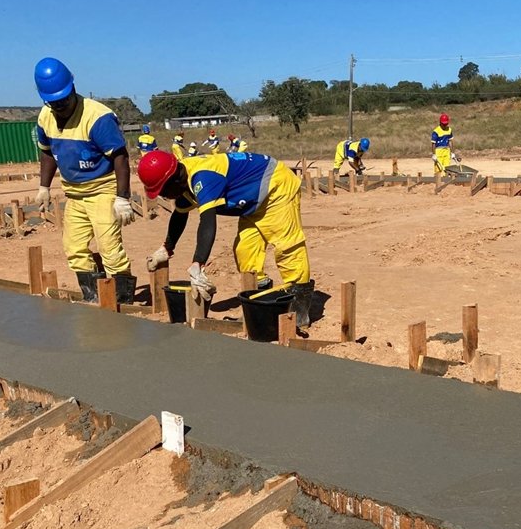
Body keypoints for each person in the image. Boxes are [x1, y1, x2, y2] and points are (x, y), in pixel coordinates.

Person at [138, 149, 315, 327]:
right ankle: (259, 305)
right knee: (245, 251)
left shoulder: (203, 177)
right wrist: (166, 248)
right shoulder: (183, 182)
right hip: (253, 201)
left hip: (276, 188)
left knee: (286, 246)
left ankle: (298, 310)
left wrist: (198, 263)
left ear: (173, 179)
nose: (163, 196)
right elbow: (179, 215)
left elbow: (207, 222)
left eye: (163, 190)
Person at [33, 57, 136, 304]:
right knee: (74, 248)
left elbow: (120, 157)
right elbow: (47, 151)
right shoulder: (45, 117)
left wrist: (122, 198)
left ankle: (123, 301)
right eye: (54, 103)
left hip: (102, 189)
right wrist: (44, 186)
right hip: (74, 193)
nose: (60, 107)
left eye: (64, 100)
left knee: (110, 248)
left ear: (73, 89)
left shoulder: (98, 117)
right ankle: (93, 297)